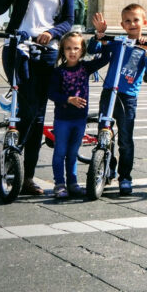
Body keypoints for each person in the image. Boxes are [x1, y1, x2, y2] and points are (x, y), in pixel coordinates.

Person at [0, 0, 77, 195]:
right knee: (28, 108)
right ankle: (11, 158)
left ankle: (26, 176)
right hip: (19, 46)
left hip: (48, 51)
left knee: (39, 116)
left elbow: (68, 20)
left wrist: (52, 32)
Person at [91, 5, 147, 194]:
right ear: (122, 24)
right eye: (127, 21)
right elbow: (94, 48)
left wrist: (146, 51)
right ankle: (107, 167)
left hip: (128, 96)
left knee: (126, 139)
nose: (132, 24)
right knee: (104, 132)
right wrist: (99, 34)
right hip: (109, 92)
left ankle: (125, 176)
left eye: (136, 20)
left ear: (144, 22)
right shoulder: (118, 41)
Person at [47, 32, 110, 199]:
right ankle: (59, 184)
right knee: (60, 152)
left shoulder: (85, 68)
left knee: (73, 152)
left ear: (82, 50)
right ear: (62, 50)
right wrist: (68, 99)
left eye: (76, 48)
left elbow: (105, 59)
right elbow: (51, 93)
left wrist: (103, 42)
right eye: (68, 48)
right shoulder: (58, 72)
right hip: (62, 119)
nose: (72, 51)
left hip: (79, 119)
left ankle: (73, 184)